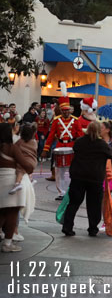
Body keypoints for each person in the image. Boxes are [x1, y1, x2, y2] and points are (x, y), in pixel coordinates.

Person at [61, 121, 112, 237]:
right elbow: (111, 155)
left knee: (73, 203)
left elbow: (75, 149)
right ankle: (92, 228)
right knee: (94, 204)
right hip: (95, 177)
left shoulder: (79, 142)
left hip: (78, 176)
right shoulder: (102, 144)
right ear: (99, 131)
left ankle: (67, 227)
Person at [41, 83, 84, 200]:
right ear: (61, 110)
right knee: (59, 172)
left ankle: (72, 191)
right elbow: (50, 136)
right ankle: (61, 193)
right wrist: (46, 149)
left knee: (73, 172)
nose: (65, 112)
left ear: (70, 110)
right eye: (63, 110)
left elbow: (80, 135)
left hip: (72, 147)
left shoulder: (75, 121)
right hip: (60, 146)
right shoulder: (56, 121)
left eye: (67, 110)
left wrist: (81, 149)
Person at [0, 123, 35, 252]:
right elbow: (26, 165)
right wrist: (30, 167)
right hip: (10, 181)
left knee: (1, 212)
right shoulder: (11, 147)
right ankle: (7, 244)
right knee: (12, 213)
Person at [9, 124, 37, 194]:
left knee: (20, 171)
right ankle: (31, 179)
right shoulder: (34, 142)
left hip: (25, 161)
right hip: (33, 161)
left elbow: (14, 147)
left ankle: (17, 183)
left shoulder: (20, 141)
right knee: (29, 170)